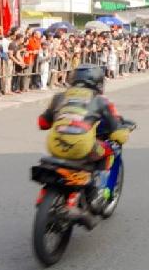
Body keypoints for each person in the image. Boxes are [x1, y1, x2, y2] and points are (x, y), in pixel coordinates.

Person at [37, 64, 130, 218]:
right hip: (82, 146)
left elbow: (43, 123)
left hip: (54, 144)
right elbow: (118, 134)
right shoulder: (101, 101)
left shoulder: (59, 97)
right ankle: (96, 191)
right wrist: (121, 134)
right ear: (98, 82)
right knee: (110, 151)